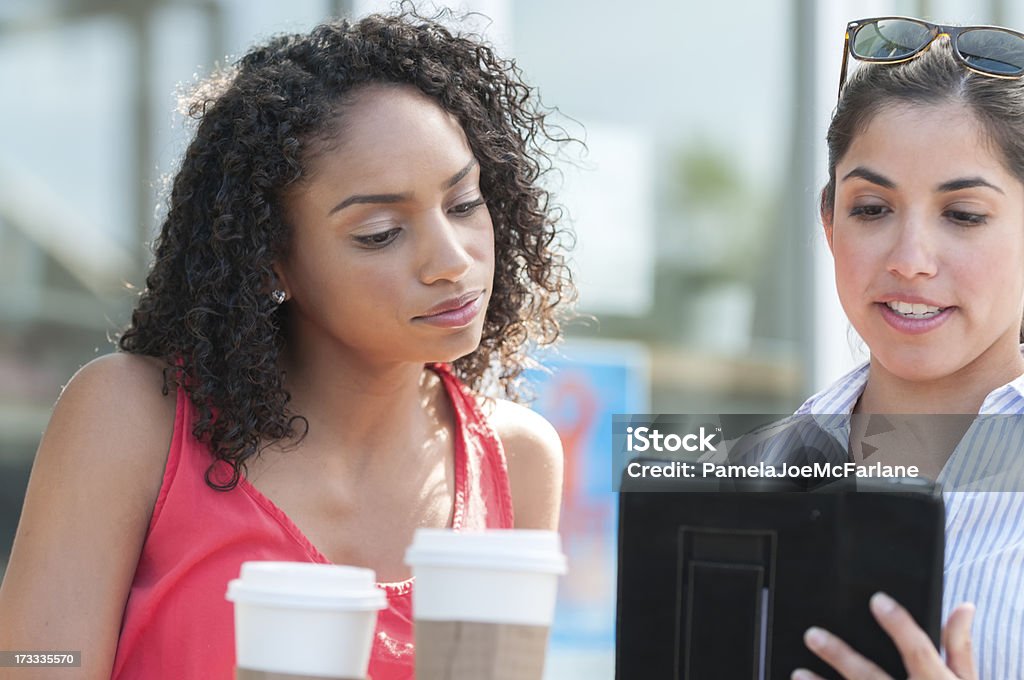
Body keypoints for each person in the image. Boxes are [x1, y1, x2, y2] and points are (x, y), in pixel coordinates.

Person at [0, 10, 574, 680]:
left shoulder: (518, 459)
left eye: (464, 204)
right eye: (381, 232)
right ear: (272, 258)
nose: (452, 260)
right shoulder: (132, 417)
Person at [783, 16, 1024, 680]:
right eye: (871, 209)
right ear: (829, 223)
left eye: (964, 215)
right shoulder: (759, 472)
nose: (911, 260)